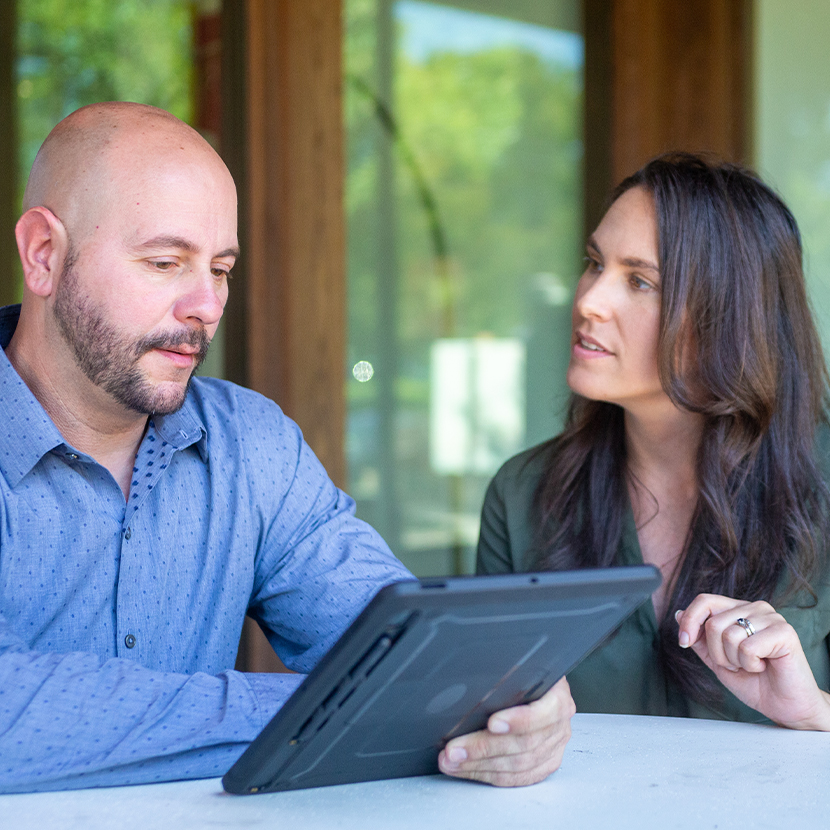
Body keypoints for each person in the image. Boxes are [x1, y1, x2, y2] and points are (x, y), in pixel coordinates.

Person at [0, 102, 572, 793]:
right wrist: (329, 708)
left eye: (220, 269)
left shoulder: (251, 445)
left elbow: (407, 657)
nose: (206, 306)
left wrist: (507, 698)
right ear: (43, 255)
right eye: (164, 262)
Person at [478, 153, 830, 730]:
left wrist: (815, 712)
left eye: (639, 281)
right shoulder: (520, 496)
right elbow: (481, 718)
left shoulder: (823, 482)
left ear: (730, 320)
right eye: (594, 263)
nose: (589, 300)